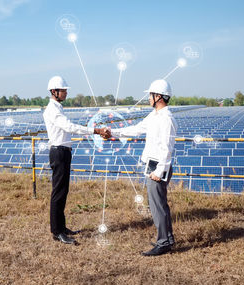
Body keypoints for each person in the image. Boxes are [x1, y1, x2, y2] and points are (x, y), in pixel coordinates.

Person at [110, 79, 178, 256]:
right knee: (159, 203)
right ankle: (167, 239)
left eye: (151, 95)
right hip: (153, 164)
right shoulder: (154, 116)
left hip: (159, 166)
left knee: (157, 206)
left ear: (159, 97)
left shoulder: (167, 119)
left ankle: (163, 243)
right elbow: (136, 129)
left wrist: (159, 170)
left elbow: (167, 147)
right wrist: (113, 133)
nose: (148, 98)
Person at [43, 75, 110, 245]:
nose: (66, 93)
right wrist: (96, 131)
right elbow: (70, 127)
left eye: (65, 90)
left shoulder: (57, 108)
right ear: (54, 91)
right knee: (58, 192)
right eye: (63, 90)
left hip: (64, 151)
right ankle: (57, 231)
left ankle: (61, 227)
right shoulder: (52, 110)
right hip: (59, 152)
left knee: (63, 191)